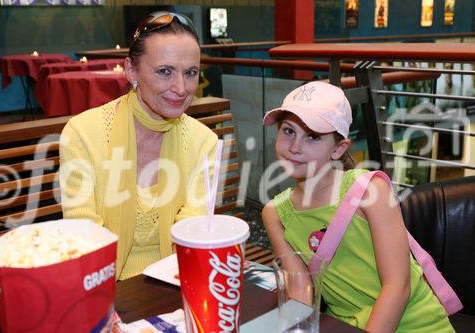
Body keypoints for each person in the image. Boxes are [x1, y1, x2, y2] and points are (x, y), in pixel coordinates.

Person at [261, 81, 454, 332]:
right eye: (288, 131)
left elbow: (398, 286)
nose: (295, 147)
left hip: (417, 324)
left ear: (338, 148)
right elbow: (300, 290)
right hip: (347, 325)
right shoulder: (275, 214)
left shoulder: (371, 191)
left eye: (313, 137)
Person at [59, 12, 217, 280]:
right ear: (131, 70)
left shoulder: (204, 142)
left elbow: (191, 234)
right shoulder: (83, 134)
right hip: (104, 284)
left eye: (190, 73)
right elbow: (84, 236)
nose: (181, 88)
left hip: (177, 281)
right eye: (165, 71)